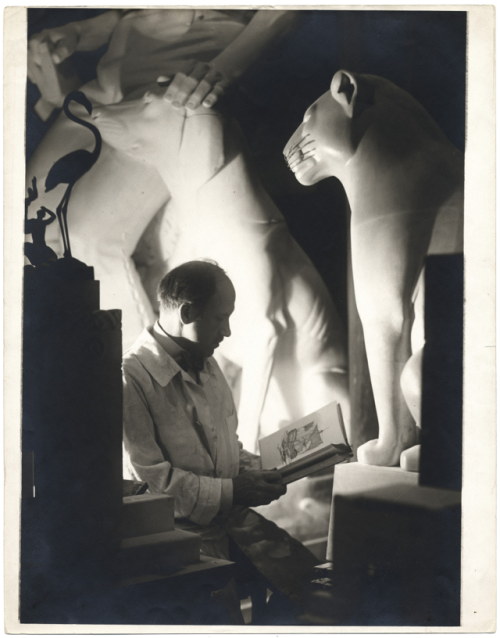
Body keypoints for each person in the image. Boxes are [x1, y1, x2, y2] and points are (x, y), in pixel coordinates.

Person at [122, 260, 318, 623]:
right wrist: (234, 490)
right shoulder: (130, 379)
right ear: (186, 312)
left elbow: (225, 449)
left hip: (230, 525)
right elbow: (153, 488)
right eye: (220, 318)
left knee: (316, 587)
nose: (227, 331)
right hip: (181, 547)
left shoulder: (207, 363)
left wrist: (265, 469)